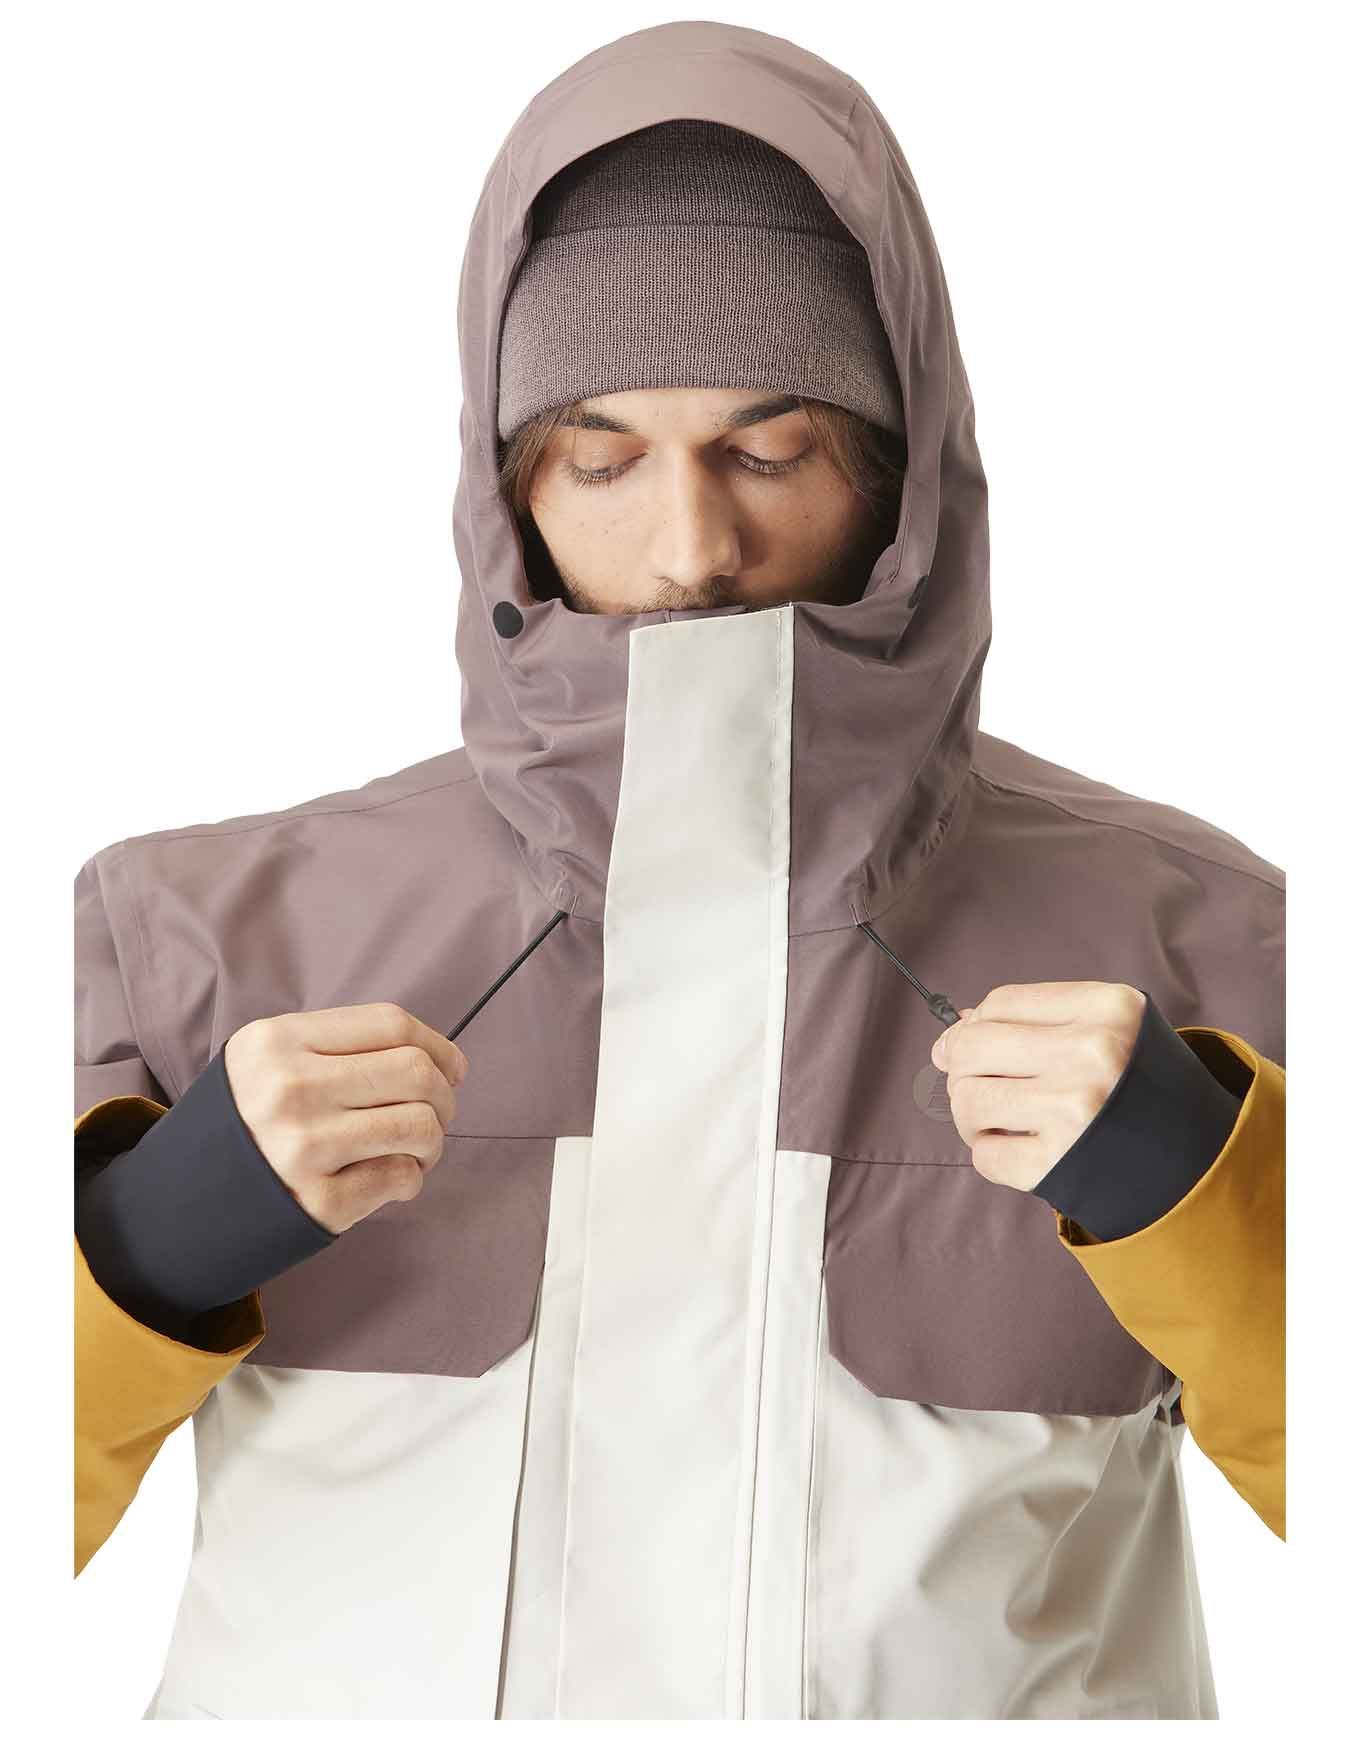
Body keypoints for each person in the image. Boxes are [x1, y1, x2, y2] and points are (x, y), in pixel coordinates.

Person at [74, 19, 1284, 1721]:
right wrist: (131, 1252)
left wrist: (1218, 1198)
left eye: (771, 452)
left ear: (900, 471)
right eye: (601, 459)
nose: (690, 548)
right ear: (507, 486)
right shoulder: (195, 936)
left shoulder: (1206, 936)